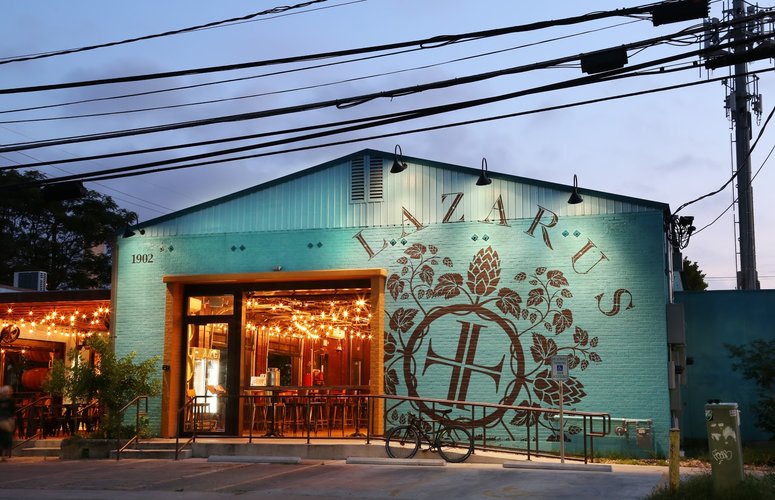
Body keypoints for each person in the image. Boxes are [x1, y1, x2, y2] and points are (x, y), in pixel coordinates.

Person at [0, 385, 15, 461]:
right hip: (3, 420)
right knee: (4, 437)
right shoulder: (2, 400)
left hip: (7, 420)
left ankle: (4, 455)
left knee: (6, 437)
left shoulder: (11, 401)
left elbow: (12, 411)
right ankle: (3, 455)